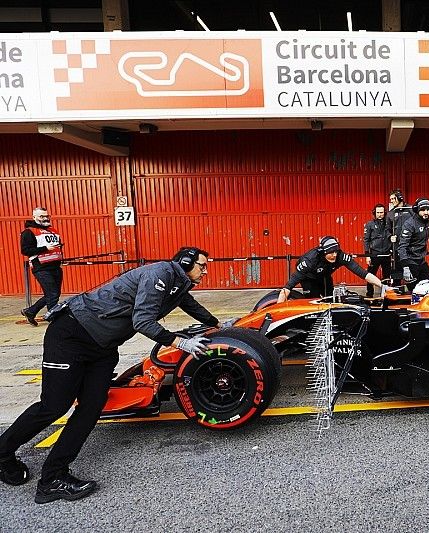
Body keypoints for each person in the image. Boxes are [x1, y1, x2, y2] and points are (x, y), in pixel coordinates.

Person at [0, 247, 225, 503]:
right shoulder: (160, 274)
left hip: (103, 347)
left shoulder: (178, 284)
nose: (205, 271)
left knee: (92, 408)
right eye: (202, 266)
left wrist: (217, 325)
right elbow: (143, 321)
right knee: (54, 406)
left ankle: (52, 478)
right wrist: (179, 343)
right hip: (71, 335)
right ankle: (3, 452)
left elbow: (190, 305)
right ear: (186, 263)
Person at [277, 236, 386, 303]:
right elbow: (287, 288)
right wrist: (278, 310)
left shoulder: (340, 256)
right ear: (323, 252)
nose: (334, 255)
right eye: (330, 253)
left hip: (325, 276)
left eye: (336, 252)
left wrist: (383, 286)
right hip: (308, 278)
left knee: (330, 300)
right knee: (313, 301)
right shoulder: (310, 260)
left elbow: (364, 274)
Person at [20, 207, 64, 326]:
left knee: (53, 294)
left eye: (46, 216)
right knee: (53, 295)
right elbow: (25, 250)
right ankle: (54, 320)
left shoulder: (53, 230)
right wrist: (45, 249)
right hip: (41, 267)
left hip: (55, 266)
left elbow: (57, 246)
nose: (45, 218)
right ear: (34, 217)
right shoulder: (29, 232)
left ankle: (30, 311)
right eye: (41, 216)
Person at [397, 198, 429, 291]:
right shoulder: (409, 224)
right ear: (417, 210)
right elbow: (402, 246)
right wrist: (405, 267)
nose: (426, 212)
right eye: (423, 210)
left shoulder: (427, 221)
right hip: (410, 261)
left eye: (428, 209)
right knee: (415, 290)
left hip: (421, 260)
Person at [363, 203, 392, 297]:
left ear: (385, 213)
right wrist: (367, 255)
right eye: (378, 212)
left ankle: (386, 294)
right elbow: (366, 240)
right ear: (374, 213)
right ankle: (369, 294)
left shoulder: (389, 224)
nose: (380, 214)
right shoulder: (369, 224)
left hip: (387, 254)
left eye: (382, 212)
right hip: (374, 254)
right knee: (371, 274)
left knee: (387, 275)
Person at [387, 189, 413, 274]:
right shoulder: (390, 213)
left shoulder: (411, 210)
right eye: (390, 199)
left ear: (400, 198)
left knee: (413, 271)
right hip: (397, 247)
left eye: (393, 198)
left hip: (411, 247)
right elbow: (387, 229)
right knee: (397, 273)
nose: (391, 201)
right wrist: (390, 236)